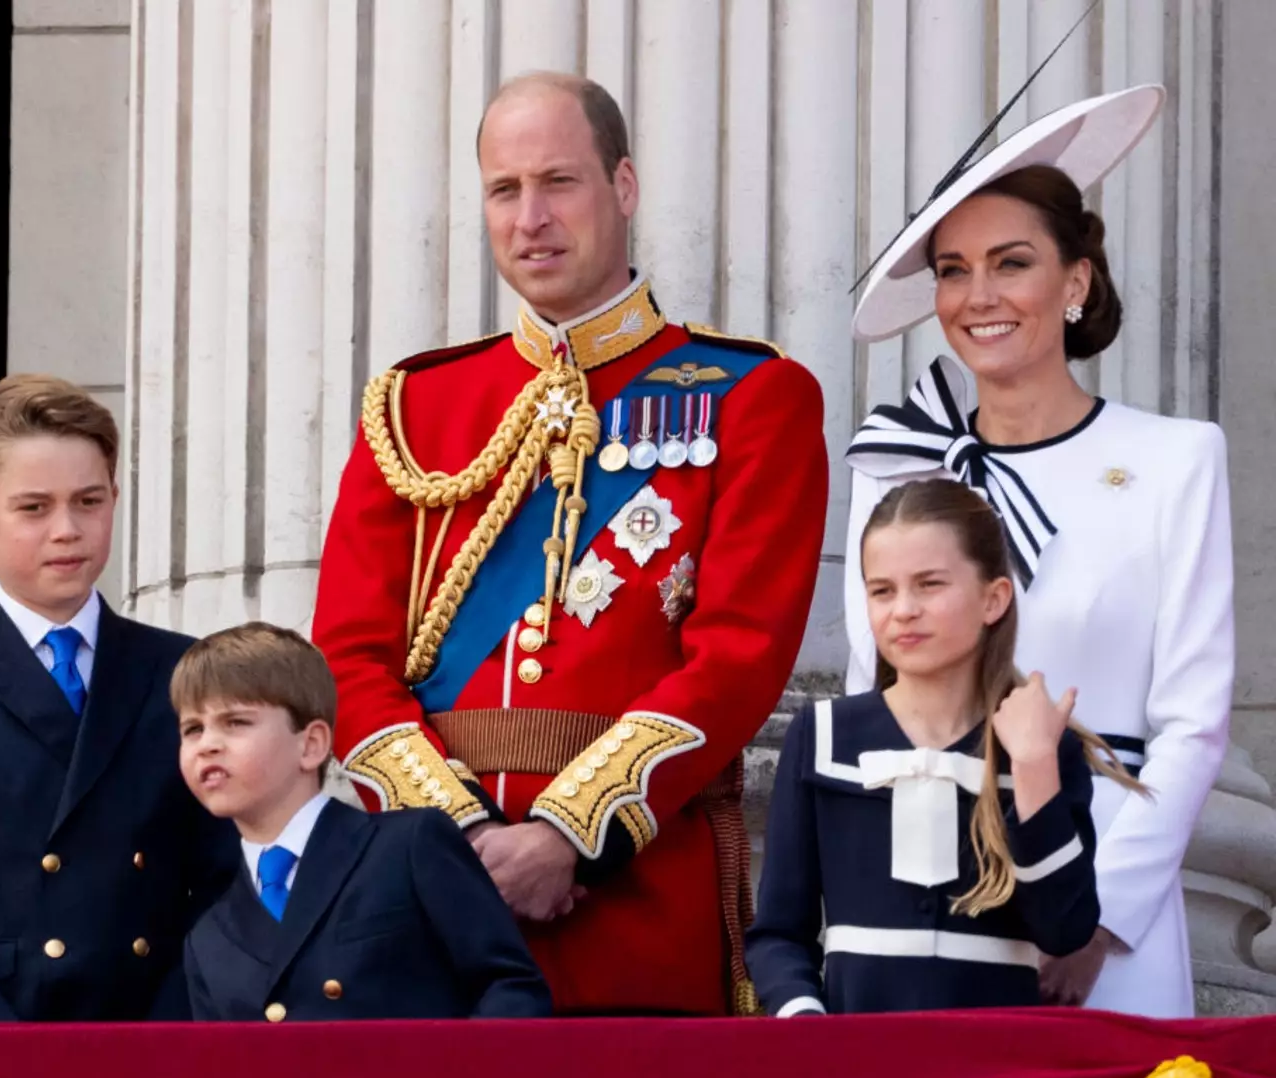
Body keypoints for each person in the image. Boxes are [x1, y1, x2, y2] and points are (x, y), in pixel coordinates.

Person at [310, 72, 828, 1016]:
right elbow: (348, 657)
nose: (531, 217)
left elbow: (739, 660)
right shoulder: (414, 406)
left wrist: (567, 835)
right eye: (505, 191)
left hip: (638, 896)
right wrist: (459, 843)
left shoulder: (752, 395)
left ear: (623, 187)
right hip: (434, 907)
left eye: (560, 182)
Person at [843, 85, 1234, 1017]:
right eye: (952, 269)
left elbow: (1193, 725)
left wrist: (1094, 921)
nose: (977, 296)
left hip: (1107, 882)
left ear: (1075, 282)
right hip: (928, 883)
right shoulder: (898, 462)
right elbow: (874, 700)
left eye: (1010, 263)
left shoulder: (1176, 458)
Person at [0, 375, 237, 1022]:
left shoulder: (184, 670)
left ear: (115, 500)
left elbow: (230, 879)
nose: (67, 529)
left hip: (158, 1042)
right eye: (34, 508)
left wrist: (172, 1033)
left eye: (88, 501)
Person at [748, 479, 1143, 1014]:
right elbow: (777, 934)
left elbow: (1065, 930)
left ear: (993, 598)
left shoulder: (1045, 746)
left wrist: (1032, 769)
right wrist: (806, 1026)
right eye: (882, 590)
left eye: (930, 585)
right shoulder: (821, 735)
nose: (903, 609)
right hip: (854, 1069)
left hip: (996, 1071)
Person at [175, 622, 551, 1021]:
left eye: (236, 723)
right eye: (192, 729)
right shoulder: (208, 937)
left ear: (312, 744)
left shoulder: (408, 847)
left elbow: (509, 990)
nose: (208, 744)